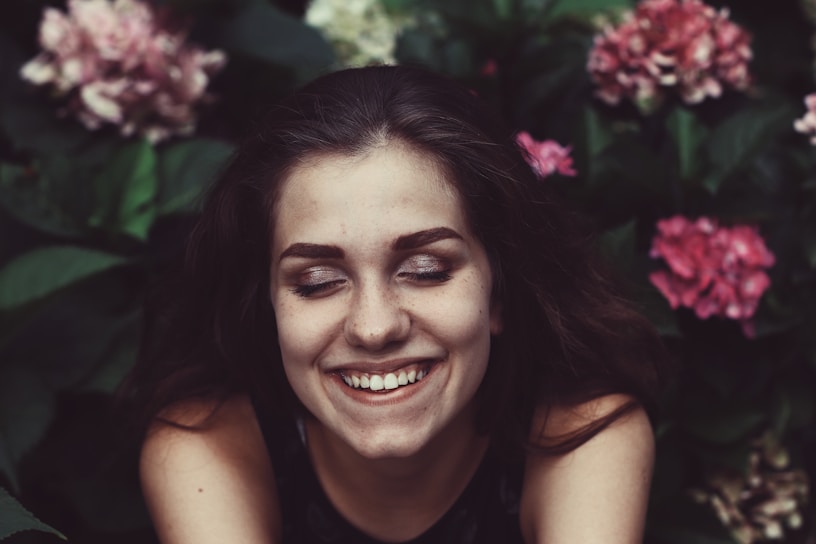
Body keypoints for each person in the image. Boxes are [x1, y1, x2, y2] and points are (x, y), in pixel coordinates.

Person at [127, 64, 667, 543]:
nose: (374, 326)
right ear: (267, 306)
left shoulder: (581, 434)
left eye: (425, 271)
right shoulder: (206, 447)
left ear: (500, 291)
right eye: (317, 282)